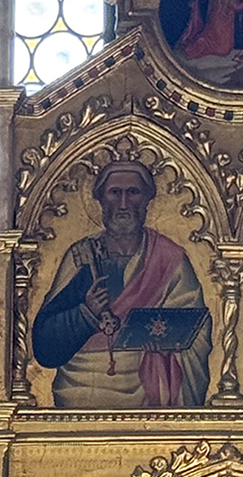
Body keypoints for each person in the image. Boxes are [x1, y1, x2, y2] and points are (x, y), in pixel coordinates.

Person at [31, 160, 212, 408]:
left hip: (149, 388)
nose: (124, 204)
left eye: (133, 192)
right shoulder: (82, 256)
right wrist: (86, 313)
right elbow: (45, 342)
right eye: (115, 193)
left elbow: (197, 328)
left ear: (147, 200)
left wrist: (165, 347)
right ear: (101, 200)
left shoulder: (168, 258)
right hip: (81, 390)